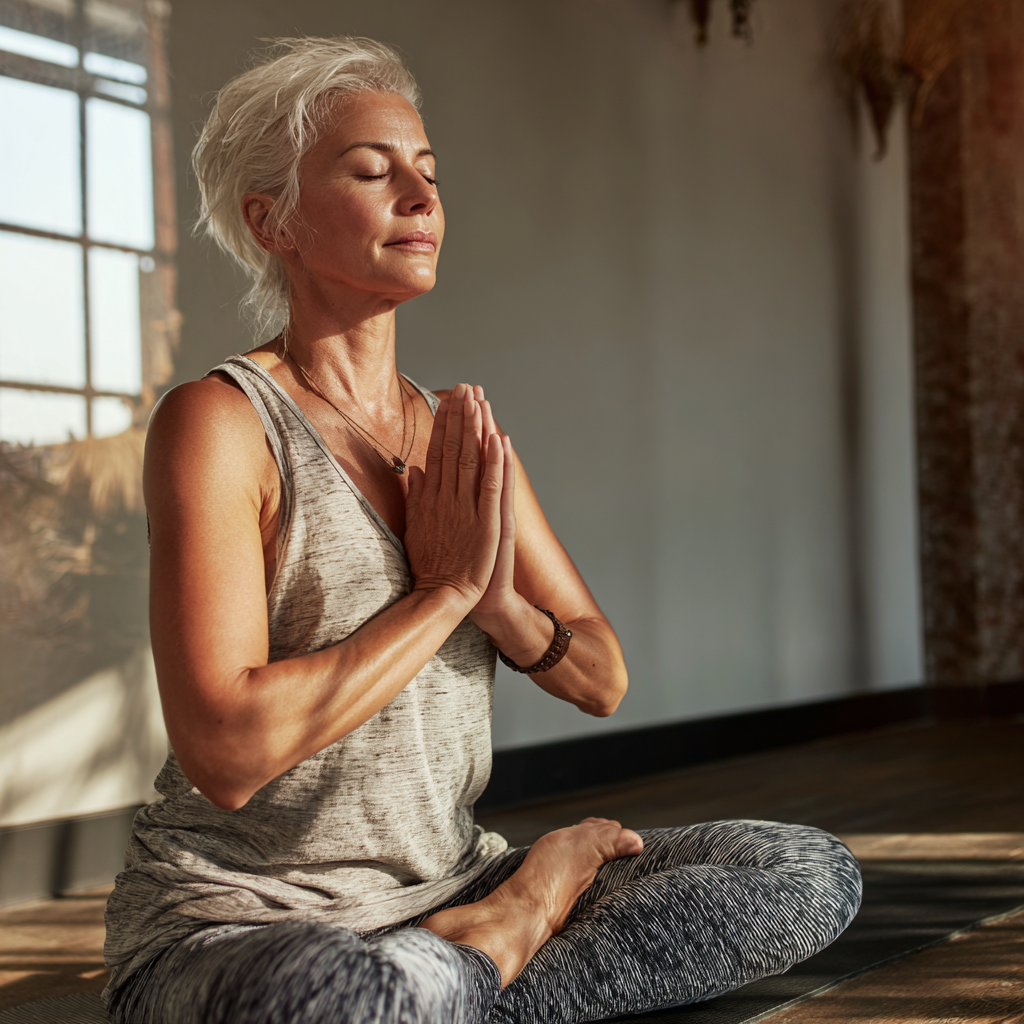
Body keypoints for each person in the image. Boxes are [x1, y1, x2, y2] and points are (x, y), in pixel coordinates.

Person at [103, 36, 862, 1024]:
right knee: (304, 1000)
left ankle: (447, 974)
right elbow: (226, 750)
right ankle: (511, 930)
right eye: (372, 171)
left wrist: (500, 603)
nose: (419, 198)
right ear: (271, 219)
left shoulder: (452, 436)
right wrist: (445, 594)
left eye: (428, 173)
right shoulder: (221, 424)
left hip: (446, 884)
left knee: (803, 870)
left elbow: (601, 675)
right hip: (243, 924)